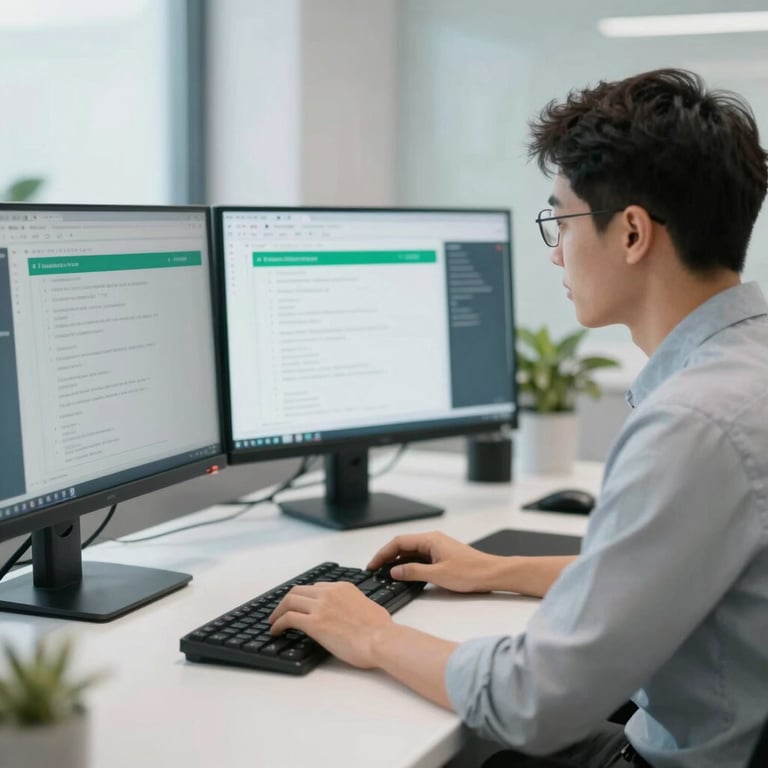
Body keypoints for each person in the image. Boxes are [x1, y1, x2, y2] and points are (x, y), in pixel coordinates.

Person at [269, 69, 768, 767]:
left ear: (631, 232)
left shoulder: (693, 423)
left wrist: (373, 634)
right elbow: (657, 580)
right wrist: (496, 569)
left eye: (561, 221)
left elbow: (535, 701)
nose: (556, 250)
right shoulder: (745, 369)